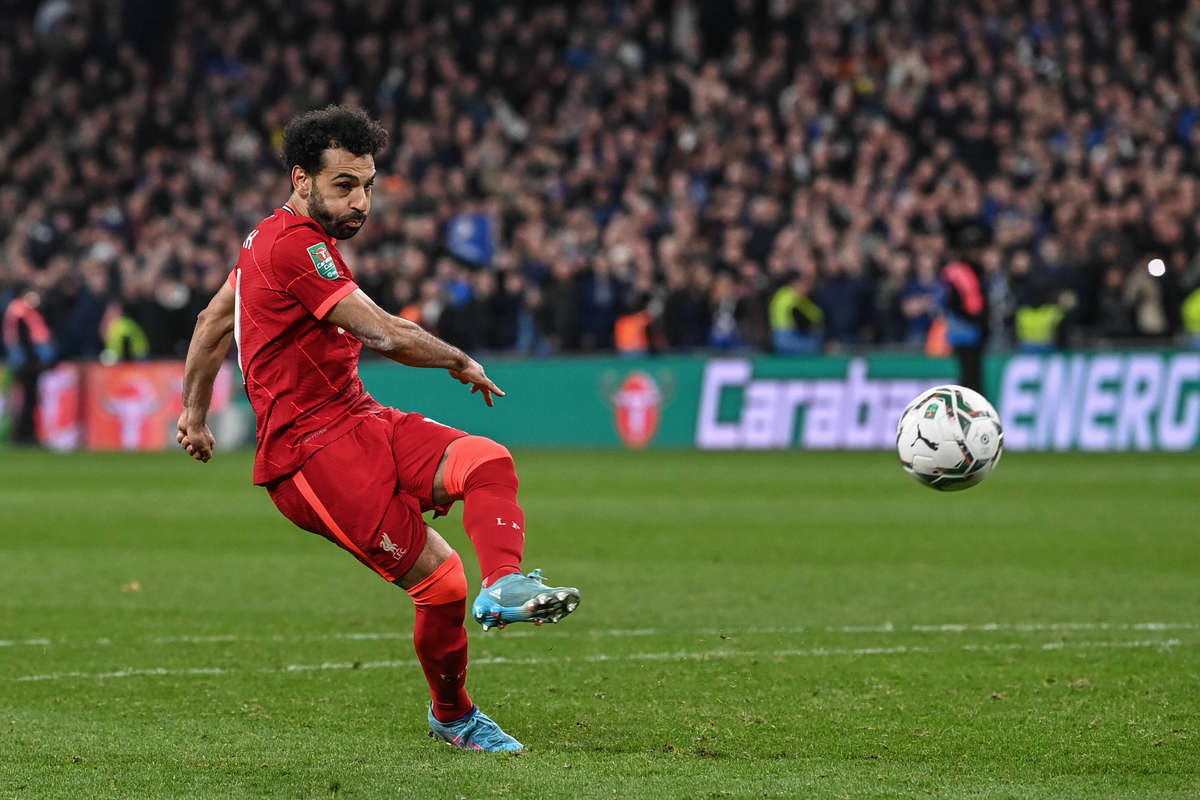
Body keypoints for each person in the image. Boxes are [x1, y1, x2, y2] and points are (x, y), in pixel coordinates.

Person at [176, 106, 580, 752]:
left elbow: (212, 322)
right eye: (344, 185)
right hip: (309, 458)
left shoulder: (264, 242)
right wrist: (457, 359)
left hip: (359, 417)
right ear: (301, 178)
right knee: (442, 584)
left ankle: (504, 583)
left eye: (366, 185)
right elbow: (384, 333)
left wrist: (193, 416)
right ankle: (454, 716)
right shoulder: (295, 247)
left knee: (488, 462)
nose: (361, 201)